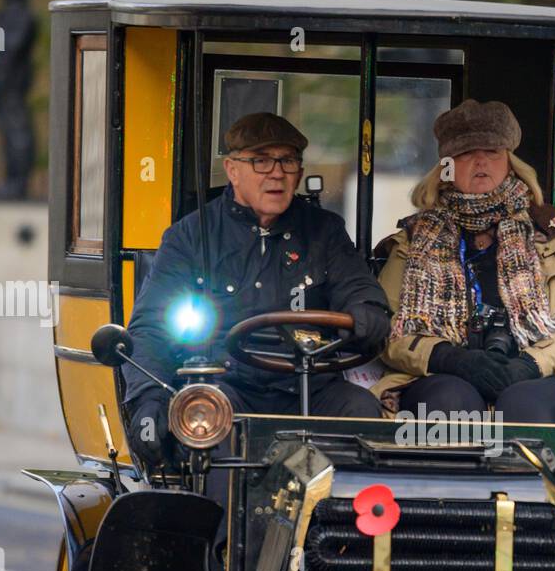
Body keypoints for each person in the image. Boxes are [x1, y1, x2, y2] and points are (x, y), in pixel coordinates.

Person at [122, 112, 390, 467]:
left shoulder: (326, 231)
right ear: (232, 170)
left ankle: (345, 522)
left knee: (360, 409)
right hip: (229, 385)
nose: (277, 172)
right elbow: (152, 326)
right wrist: (147, 398)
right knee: (205, 417)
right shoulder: (190, 236)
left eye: (288, 160)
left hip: (309, 386)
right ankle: (223, 522)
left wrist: (367, 312)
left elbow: (360, 289)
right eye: (261, 161)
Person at [370, 99, 555, 428]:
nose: (480, 161)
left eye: (492, 152)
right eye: (466, 153)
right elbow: (387, 330)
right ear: (446, 167)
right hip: (445, 374)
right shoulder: (413, 242)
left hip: (550, 373)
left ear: (510, 163)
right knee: (448, 401)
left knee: (523, 403)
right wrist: (449, 357)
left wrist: (530, 364)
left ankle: (528, 482)